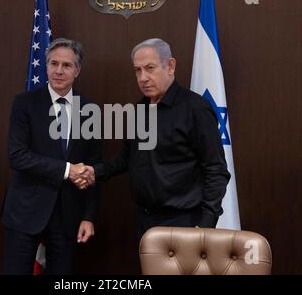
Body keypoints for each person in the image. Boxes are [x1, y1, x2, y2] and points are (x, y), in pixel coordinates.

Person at [78, 38, 230, 241]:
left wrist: (205, 225)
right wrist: (95, 172)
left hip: (185, 223)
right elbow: (127, 158)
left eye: (150, 68)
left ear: (170, 66)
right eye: (137, 70)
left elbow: (216, 170)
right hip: (145, 221)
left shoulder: (195, 108)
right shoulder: (139, 109)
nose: (143, 77)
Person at [1, 38, 101, 274]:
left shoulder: (90, 110)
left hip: (68, 217)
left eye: (66, 65)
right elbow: (17, 156)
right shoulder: (24, 103)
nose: (58, 71)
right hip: (25, 212)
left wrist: (89, 216)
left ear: (77, 70)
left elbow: (95, 167)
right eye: (53, 63)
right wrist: (67, 170)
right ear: (45, 66)